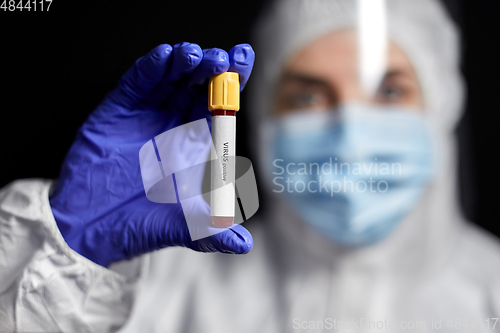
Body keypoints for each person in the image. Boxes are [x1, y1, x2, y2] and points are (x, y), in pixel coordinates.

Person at [1, 0, 499, 332]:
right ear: (262, 117)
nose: (348, 128)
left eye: (390, 91)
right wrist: (70, 248)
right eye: (306, 95)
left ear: (442, 107)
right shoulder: (147, 287)